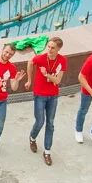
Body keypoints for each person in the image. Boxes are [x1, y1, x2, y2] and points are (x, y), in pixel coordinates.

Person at [26, 36, 66, 166]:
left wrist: (47, 75)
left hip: (53, 96)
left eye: (53, 48)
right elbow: (30, 62)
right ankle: (32, 138)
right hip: (40, 94)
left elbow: (58, 81)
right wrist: (29, 80)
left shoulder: (62, 61)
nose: (49, 49)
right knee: (40, 121)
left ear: (59, 49)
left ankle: (47, 151)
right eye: (48, 47)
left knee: (50, 123)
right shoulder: (41, 58)